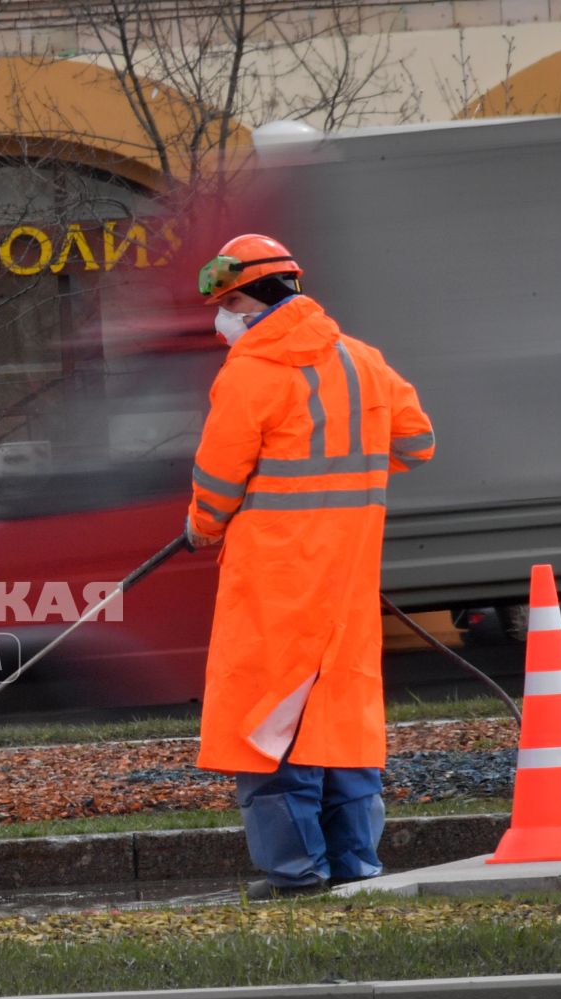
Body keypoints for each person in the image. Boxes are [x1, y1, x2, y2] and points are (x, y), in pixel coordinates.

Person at [185, 234, 437, 899]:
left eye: (227, 303)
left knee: (269, 723)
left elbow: (216, 486)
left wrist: (200, 527)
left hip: (275, 580)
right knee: (339, 718)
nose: (223, 319)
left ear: (247, 298)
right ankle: (355, 869)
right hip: (348, 579)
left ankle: (296, 875)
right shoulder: (363, 360)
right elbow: (418, 443)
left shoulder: (249, 372)